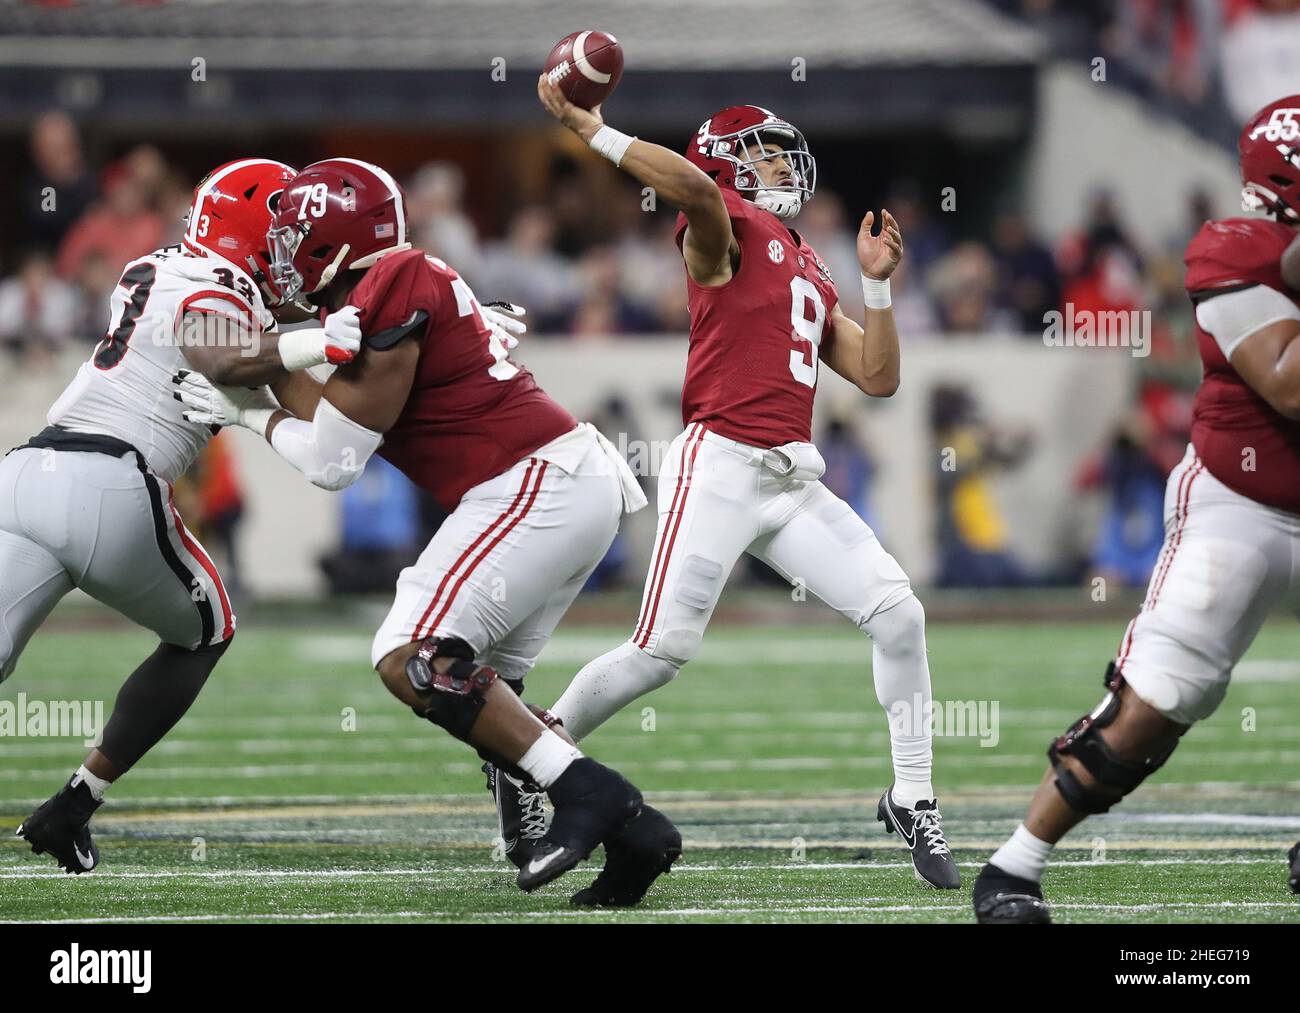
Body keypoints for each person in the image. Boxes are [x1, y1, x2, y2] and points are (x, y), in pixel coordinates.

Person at [174, 158, 681, 904]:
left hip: (534, 483)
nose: (282, 252)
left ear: (336, 242)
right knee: (491, 692)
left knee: (411, 655)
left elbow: (335, 458)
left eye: (296, 236)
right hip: (563, 483)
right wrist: (278, 366)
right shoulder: (400, 282)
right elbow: (340, 414)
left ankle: (595, 794)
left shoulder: (392, 282)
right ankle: (637, 837)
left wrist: (245, 412)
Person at [532, 79, 960, 888]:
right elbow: (692, 189)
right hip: (721, 461)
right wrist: (595, 130)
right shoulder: (719, 228)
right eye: (761, 154)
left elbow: (876, 376)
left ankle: (913, 796)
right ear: (727, 168)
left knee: (900, 613)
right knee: (661, 650)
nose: (779, 166)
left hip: (790, 475)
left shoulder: (803, 257)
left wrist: (877, 285)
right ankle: (531, 751)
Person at [973, 95, 1300, 923]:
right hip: (1243, 503)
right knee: (1155, 702)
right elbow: (1291, 383)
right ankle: (1014, 866)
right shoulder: (1234, 248)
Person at [4, 158, 366, 873]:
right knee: (209, 629)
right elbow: (222, 354)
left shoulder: (164, 266)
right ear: (246, 233)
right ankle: (75, 802)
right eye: (282, 235)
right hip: (109, 484)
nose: (290, 252)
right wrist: (324, 337)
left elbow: (317, 409)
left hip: (25, 474)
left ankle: (70, 810)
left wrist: (401, 334)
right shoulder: (222, 285)